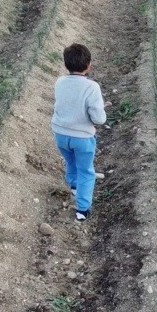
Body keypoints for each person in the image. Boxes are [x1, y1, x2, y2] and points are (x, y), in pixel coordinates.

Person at [51, 43, 108, 222]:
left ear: (66, 64)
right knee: (86, 171)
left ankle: (74, 186)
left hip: (60, 134)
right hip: (82, 137)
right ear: (89, 65)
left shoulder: (60, 81)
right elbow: (99, 119)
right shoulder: (92, 87)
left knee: (71, 161)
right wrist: (102, 109)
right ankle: (82, 211)